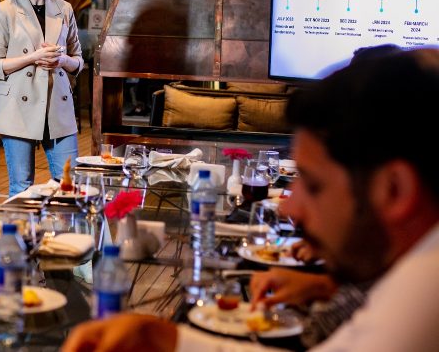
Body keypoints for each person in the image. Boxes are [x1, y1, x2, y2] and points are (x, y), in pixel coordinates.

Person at [63, 48, 439, 351]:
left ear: (395, 190)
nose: (288, 207)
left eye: (313, 185)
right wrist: (162, 338)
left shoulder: (425, 295)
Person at [0, 0, 84, 196]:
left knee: (69, 186)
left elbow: (78, 61)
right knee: (21, 188)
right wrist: (33, 58)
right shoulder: (4, 11)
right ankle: (22, 225)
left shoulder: (64, 9)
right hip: (17, 107)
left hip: (58, 107)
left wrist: (62, 61)